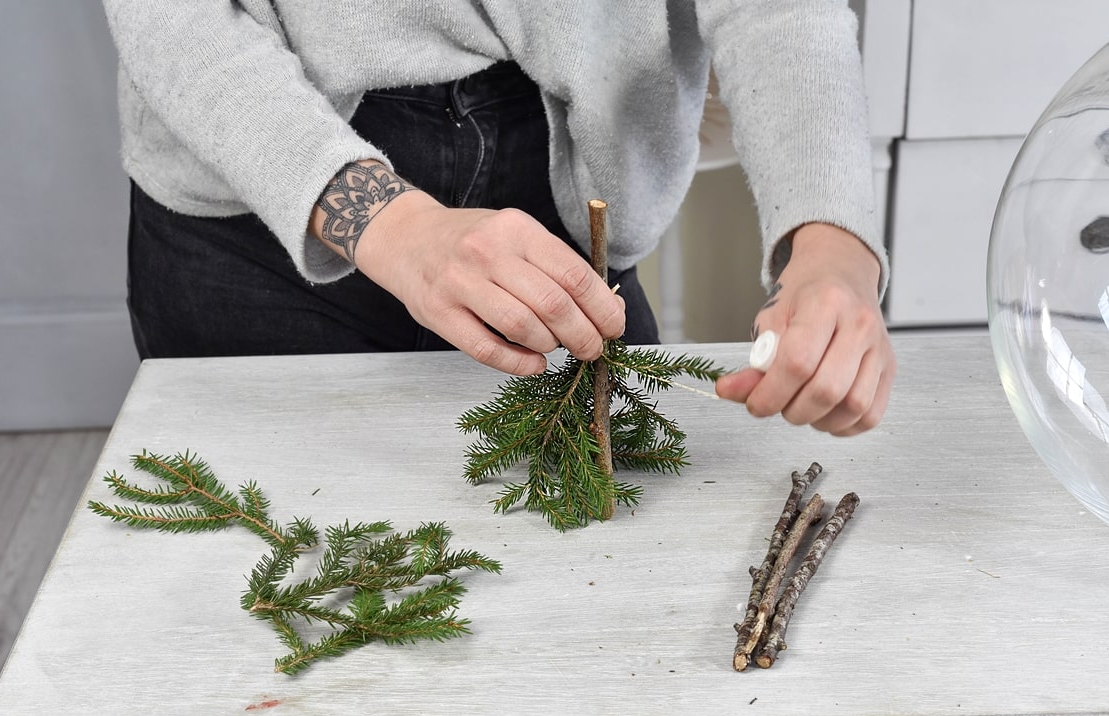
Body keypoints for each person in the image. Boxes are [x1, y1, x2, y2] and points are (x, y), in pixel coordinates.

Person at [102, 0, 895, 436]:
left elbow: (779, 10)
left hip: (568, 168)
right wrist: (388, 225)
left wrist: (832, 248)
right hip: (259, 185)